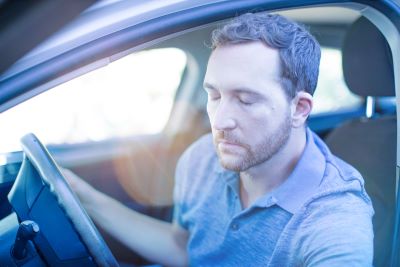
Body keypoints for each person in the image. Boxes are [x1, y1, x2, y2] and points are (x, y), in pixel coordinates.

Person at [64, 12, 374, 266]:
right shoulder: (201, 157)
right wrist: (84, 196)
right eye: (214, 95)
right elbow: (185, 247)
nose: (221, 121)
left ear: (299, 109)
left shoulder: (334, 216)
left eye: (246, 99)